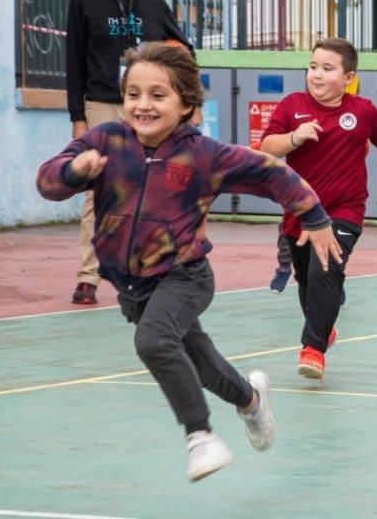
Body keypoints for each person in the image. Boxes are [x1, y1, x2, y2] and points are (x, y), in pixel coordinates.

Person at [37, 43, 341, 481]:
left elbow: (270, 170)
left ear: (186, 104)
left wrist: (313, 214)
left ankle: (200, 435)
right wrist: (73, 171)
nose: (143, 105)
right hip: (133, 286)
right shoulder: (107, 142)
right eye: (134, 94)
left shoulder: (204, 155)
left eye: (158, 95)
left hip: (185, 275)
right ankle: (250, 399)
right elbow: (48, 179)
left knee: (153, 342)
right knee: (204, 366)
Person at [260, 38, 377, 383]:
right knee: (308, 284)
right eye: (312, 67)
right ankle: (323, 329)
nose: (316, 75)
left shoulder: (363, 111)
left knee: (327, 266)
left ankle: (313, 348)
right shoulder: (292, 105)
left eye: (327, 68)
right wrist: (295, 137)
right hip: (300, 212)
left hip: (344, 210)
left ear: (348, 77)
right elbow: (267, 147)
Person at [65, 0, 192, 306]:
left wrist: (187, 102)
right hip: (102, 103)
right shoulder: (84, 1)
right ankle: (88, 277)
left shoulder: (153, 3)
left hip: (148, 107)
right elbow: (73, 61)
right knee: (96, 191)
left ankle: (148, 269)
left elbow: (184, 50)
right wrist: (77, 117)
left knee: (152, 187)